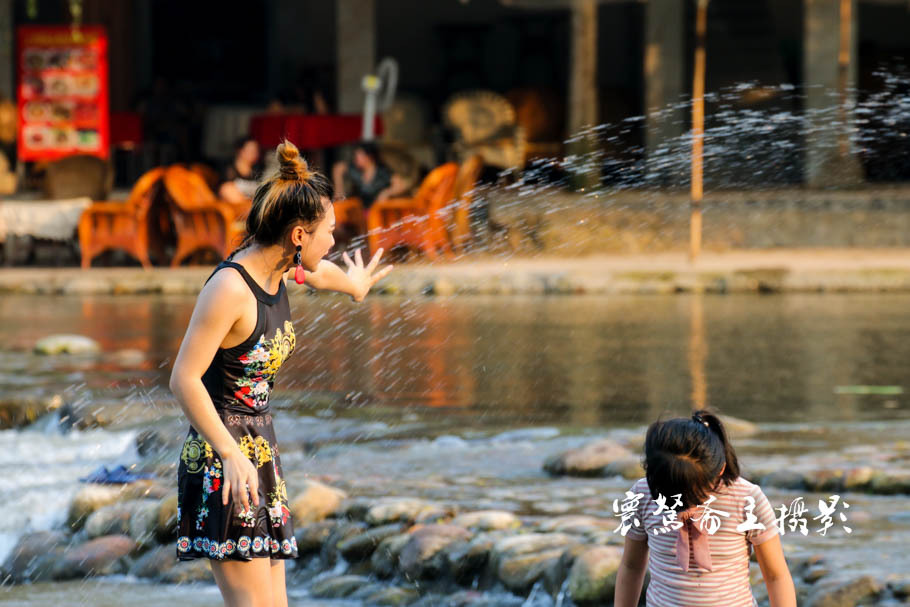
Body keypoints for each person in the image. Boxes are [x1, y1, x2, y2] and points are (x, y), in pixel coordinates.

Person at [169, 139, 392, 607]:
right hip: (223, 460)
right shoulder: (231, 288)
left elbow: (320, 273)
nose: (333, 241)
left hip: (259, 454)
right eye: (327, 232)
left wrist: (353, 286)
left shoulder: (280, 269)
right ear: (297, 235)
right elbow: (183, 379)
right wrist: (230, 454)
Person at [614, 409, 796, 607]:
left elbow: (776, 576)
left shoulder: (746, 500)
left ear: (720, 470)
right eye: (671, 497)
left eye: (692, 495)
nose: (682, 505)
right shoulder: (643, 495)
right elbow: (631, 566)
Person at [331, 141, 408, 210]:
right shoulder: (355, 170)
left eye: (359, 155)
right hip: (359, 212)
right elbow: (338, 167)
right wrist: (339, 189)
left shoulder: (383, 172)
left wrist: (387, 192)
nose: (356, 158)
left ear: (369, 156)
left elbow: (401, 184)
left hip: (377, 212)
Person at [218, 136, 262, 203]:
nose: (255, 153)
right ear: (240, 151)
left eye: (256, 150)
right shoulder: (229, 170)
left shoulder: (258, 171)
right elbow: (225, 190)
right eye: (251, 150)